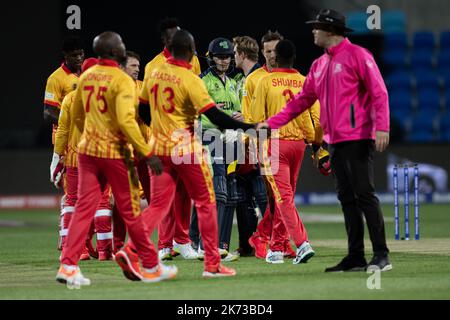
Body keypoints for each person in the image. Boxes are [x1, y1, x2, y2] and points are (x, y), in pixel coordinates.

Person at [257, 9, 392, 272]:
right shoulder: (319, 65)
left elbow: (379, 92)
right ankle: (356, 256)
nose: (313, 31)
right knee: (346, 197)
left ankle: (381, 254)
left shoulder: (358, 56)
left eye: (317, 27)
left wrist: (382, 127)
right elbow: (300, 102)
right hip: (335, 141)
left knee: (364, 195)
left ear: (330, 30)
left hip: (358, 136)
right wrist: (270, 123)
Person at [124, 29, 256, 278]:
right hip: (185, 148)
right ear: (190, 51)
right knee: (206, 202)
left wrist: (160, 128)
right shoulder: (190, 78)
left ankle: (131, 250)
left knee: (157, 206)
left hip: (159, 147)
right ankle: (212, 266)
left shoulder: (153, 73)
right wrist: (250, 127)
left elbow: (141, 110)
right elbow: (215, 116)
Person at [56, 31, 175, 289]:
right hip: (113, 153)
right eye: (120, 44)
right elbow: (126, 120)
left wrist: (90, 134)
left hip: (88, 150)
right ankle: (151, 265)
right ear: (112, 51)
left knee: (84, 208)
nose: (123, 47)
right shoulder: (122, 80)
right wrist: (145, 151)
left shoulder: (85, 77)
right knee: (131, 209)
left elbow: (77, 116)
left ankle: (68, 265)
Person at [251, 39, 322, 264]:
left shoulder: (265, 82)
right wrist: (316, 147)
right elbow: (317, 119)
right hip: (299, 145)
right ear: (293, 58)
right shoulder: (304, 81)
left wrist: (257, 150)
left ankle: (302, 244)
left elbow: (255, 120)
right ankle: (276, 248)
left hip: (275, 144)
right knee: (286, 198)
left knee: (283, 198)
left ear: (276, 57)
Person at [143, 17, 199, 261]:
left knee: (185, 192)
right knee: (163, 194)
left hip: (187, 136)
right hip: (163, 139)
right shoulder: (153, 66)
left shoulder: (193, 61)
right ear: (164, 40)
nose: (176, 38)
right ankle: (165, 244)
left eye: (179, 33)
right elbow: (143, 106)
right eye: (171, 35)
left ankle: (183, 240)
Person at [52, 57, 114, 261]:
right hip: (101, 156)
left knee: (72, 201)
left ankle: (75, 250)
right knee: (102, 202)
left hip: (74, 158)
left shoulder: (70, 98)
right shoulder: (108, 96)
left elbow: (62, 130)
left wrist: (57, 157)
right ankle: (105, 250)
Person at [244, 31, 296, 260]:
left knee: (281, 197)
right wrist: (253, 146)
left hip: (289, 142)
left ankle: (267, 237)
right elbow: (249, 116)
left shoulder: (292, 78)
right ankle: (275, 240)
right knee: (278, 196)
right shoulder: (255, 80)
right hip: (266, 145)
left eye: (275, 50)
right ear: (262, 53)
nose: (272, 56)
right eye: (268, 52)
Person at [189, 37, 241, 262]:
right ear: (210, 58)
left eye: (227, 56)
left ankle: (210, 243)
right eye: (220, 57)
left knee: (229, 193)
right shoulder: (202, 81)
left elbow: (236, 111)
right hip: (209, 139)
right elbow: (195, 113)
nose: (223, 60)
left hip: (229, 139)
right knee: (217, 192)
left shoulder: (230, 83)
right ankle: (205, 245)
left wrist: (238, 119)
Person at [44, 35, 84, 251]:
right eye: (74, 55)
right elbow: (48, 112)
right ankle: (67, 239)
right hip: (66, 139)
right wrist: (70, 116)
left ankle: (83, 241)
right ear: (65, 56)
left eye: (81, 54)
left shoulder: (87, 74)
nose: (79, 58)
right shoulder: (56, 78)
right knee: (72, 192)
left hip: (86, 140)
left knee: (92, 194)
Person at [230, 36, 268, 257]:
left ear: (242, 54)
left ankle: (274, 241)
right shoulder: (244, 78)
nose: (233, 57)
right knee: (243, 196)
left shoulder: (258, 78)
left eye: (235, 53)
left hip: (257, 143)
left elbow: (264, 112)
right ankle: (248, 244)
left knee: (262, 195)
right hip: (244, 144)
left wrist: (245, 117)